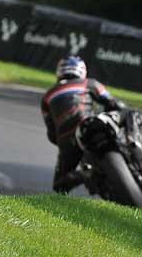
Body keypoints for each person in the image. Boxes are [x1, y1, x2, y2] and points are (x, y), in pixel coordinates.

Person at [40, 55, 124, 193]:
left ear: (59, 72)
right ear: (82, 71)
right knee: (129, 113)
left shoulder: (47, 96)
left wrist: (63, 144)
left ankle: (84, 174)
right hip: (90, 123)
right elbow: (114, 104)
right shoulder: (90, 83)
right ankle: (133, 142)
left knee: (59, 186)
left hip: (67, 140)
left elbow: (51, 134)